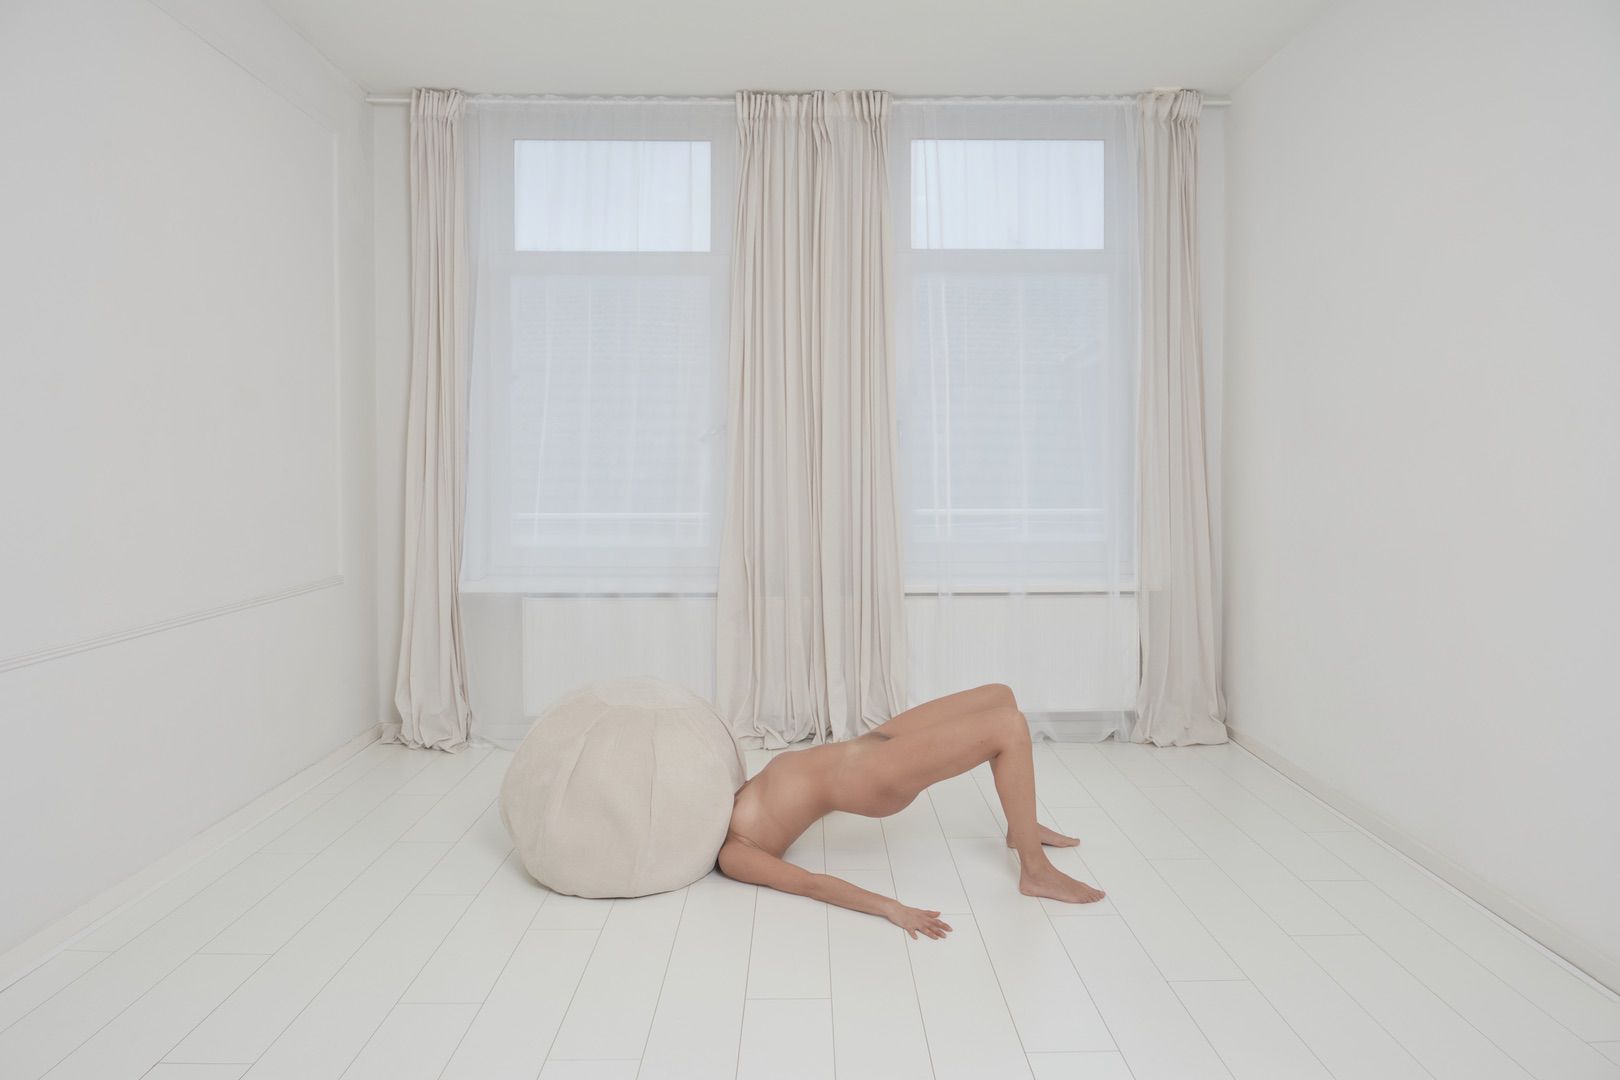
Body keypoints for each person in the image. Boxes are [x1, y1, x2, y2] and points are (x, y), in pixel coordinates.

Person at [718, 683, 1105, 939]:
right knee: (1008, 727)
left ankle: (1022, 827)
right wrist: (891, 908)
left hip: (870, 744)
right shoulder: (735, 852)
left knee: (1000, 696)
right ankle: (1035, 871)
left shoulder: (728, 797)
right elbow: (809, 883)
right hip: (872, 778)